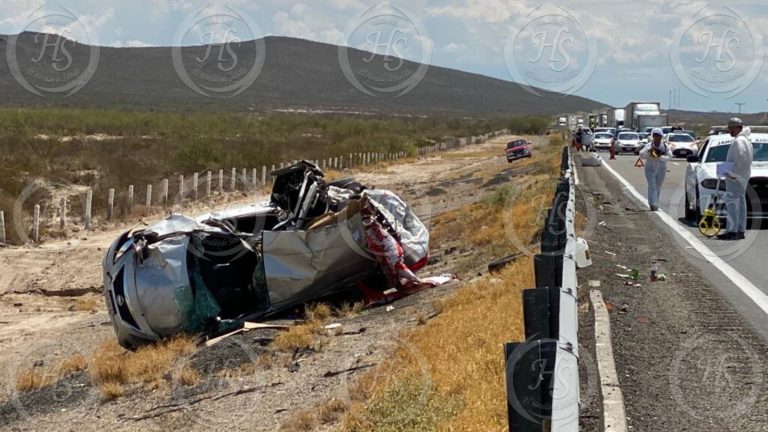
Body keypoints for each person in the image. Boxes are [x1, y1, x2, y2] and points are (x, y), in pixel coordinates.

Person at [717, 118, 753, 240]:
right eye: (729, 128)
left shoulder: (739, 141)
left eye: (732, 128)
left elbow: (740, 160)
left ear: (738, 128)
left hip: (735, 176)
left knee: (732, 202)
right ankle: (740, 229)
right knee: (741, 202)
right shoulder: (745, 140)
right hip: (742, 175)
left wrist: (730, 172)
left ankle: (732, 230)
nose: (730, 130)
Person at [638, 128, 672, 211]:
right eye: (655, 135)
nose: (656, 137)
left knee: (658, 186)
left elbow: (669, 157)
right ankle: (653, 204)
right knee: (652, 185)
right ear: (652, 136)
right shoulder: (649, 145)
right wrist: (648, 151)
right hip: (650, 168)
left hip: (661, 169)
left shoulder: (665, 146)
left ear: (661, 137)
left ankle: (656, 202)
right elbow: (641, 155)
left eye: (658, 136)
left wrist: (660, 156)